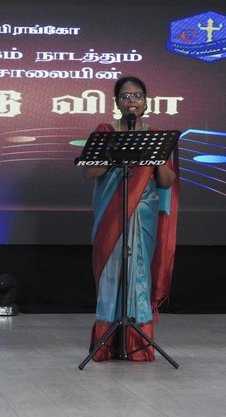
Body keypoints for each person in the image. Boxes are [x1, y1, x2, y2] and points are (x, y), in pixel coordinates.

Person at [83, 76, 179, 362]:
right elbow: (89, 172)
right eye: (126, 96)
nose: (132, 101)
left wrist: (155, 156)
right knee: (111, 274)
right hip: (111, 216)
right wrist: (114, 154)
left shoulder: (156, 136)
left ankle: (138, 343)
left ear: (146, 101)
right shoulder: (105, 132)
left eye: (137, 95)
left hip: (143, 215)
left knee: (138, 273)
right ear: (117, 102)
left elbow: (167, 181)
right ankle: (107, 343)